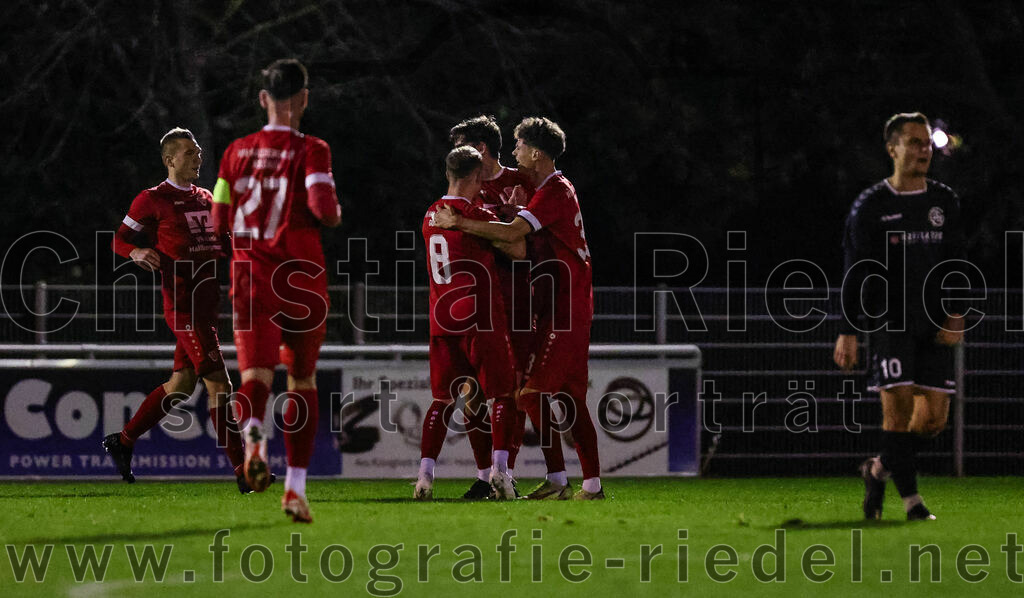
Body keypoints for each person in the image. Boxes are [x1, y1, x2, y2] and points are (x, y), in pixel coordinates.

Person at [433, 116, 603, 500]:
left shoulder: (553, 189)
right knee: (568, 397)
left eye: (520, 145)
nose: (515, 151)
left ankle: (536, 477)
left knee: (527, 393)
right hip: (552, 302)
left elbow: (514, 236)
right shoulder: (545, 188)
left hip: (564, 305)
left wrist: (460, 222)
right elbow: (517, 229)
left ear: (536, 153)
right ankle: (584, 484)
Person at [211, 58, 341, 523]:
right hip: (302, 279)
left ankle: (253, 434)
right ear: (304, 98)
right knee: (302, 379)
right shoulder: (313, 149)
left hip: (252, 278)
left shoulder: (234, 153)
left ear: (264, 98)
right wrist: (332, 210)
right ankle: (295, 488)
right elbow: (324, 210)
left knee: (255, 376)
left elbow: (218, 221)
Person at [104, 127, 253, 493]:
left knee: (181, 385)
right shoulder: (152, 199)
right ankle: (244, 470)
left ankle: (123, 441)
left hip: (207, 308)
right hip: (183, 307)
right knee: (220, 384)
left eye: (199, 152)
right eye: (190, 153)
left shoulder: (205, 197)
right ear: (170, 159)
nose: (198, 157)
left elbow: (223, 242)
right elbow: (118, 239)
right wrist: (136, 251)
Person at [834, 112, 965, 521]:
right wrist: (848, 330)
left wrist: (957, 311)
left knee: (932, 421)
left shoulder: (944, 201)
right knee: (899, 411)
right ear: (892, 149)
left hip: (934, 322)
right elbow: (855, 270)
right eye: (914, 142)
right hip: (890, 322)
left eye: (927, 143)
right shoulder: (872, 205)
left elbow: (957, 260)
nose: (924, 150)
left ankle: (877, 470)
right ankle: (912, 502)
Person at [416, 145, 525, 501]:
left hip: (441, 319)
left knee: (442, 400)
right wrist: (508, 217)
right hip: (480, 318)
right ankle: (500, 472)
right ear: (476, 176)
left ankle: (424, 478)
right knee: (502, 395)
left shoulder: (430, 214)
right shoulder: (476, 214)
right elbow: (518, 249)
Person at [448, 115, 535, 499]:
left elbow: (524, 246)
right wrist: (500, 226)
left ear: (481, 148)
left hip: (517, 299)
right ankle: (486, 474)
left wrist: (493, 227)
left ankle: (504, 473)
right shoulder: (465, 188)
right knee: (470, 392)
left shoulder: (522, 182)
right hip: (477, 303)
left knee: (512, 389)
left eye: (461, 147)